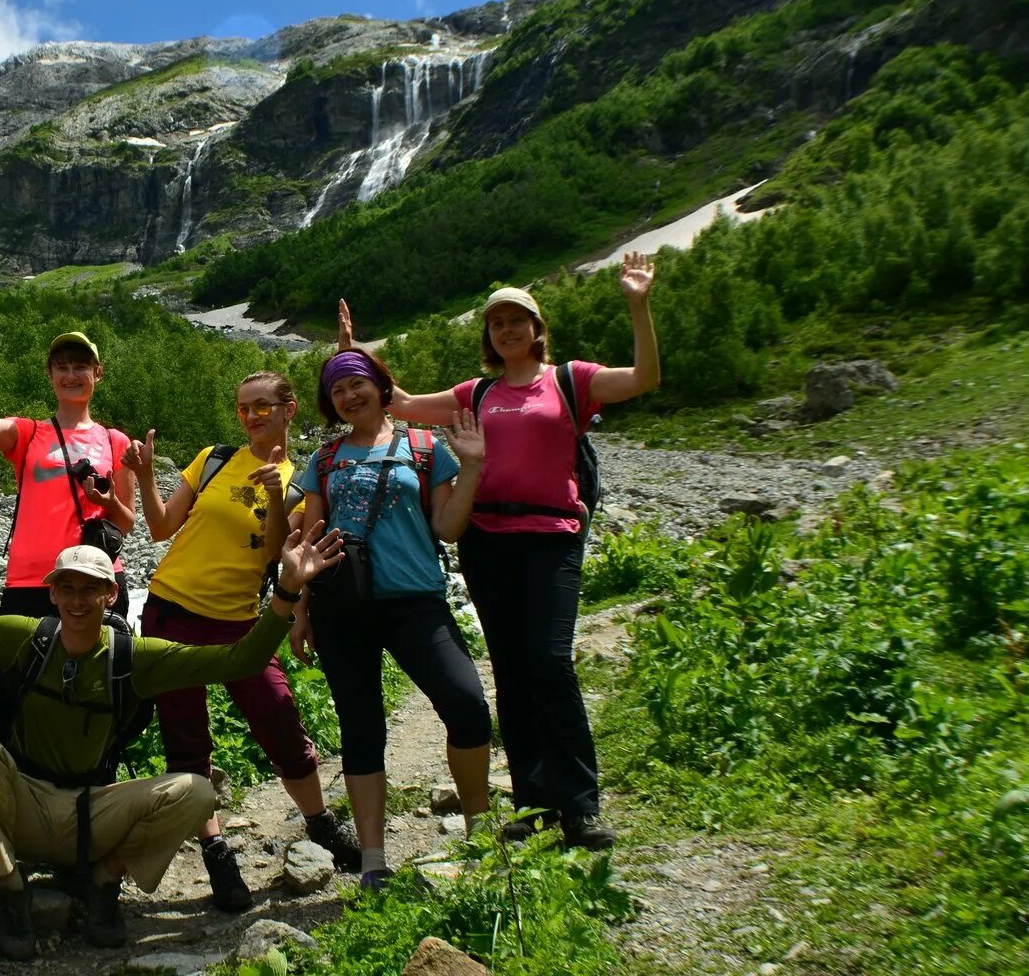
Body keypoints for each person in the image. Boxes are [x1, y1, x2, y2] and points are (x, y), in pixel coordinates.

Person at [0, 462, 346, 959]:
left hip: (92, 813)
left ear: (110, 594)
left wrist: (287, 591)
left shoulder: (134, 657)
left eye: (90, 589)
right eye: (68, 588)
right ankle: (9, 883)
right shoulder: (24, 637)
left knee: (198, 792)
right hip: (21, 803)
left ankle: (103, 880)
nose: (78, 600)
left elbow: (240, 659)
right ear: (51, 593)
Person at [377, 251, 660, 849]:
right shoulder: (474, 392)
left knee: (550, 662)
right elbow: (400, 405)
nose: (507, 330)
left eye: (517, 320)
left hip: (551, 538)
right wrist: (357, 356)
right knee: (510, 667)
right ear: (489, 335)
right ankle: (534, 803)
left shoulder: (570, 380)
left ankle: (579, 803)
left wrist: (638, 304)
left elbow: (643, 379)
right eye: (496, 323)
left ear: (536, 330)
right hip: (485, 540)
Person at [125, 372, 361, 911]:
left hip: (236, 623)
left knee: (278, 714)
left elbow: (281, 553)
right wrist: (142, 479)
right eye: (242, 409)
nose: (251, 416)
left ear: (288, 409)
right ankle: (215, 852)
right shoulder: (213, 458)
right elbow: (161, 527)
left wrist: (277, 496)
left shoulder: (302, 484)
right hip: (170, 609)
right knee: (186, 736)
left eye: (261, 407)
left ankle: (319, 824)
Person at [290, 350, 493, 889]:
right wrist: (300, 612)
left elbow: (449, 527)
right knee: (361, 730)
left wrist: (472, 463)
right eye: (337, 391)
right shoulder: (324, 460)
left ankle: (480, 829)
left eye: (357, 384)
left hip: (415, 602)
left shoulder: (426, 449)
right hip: (341, 609)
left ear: (382, 388)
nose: (349, 396)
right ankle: (374, 860)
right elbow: (309, 546)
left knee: (467, 703)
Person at [0, 333, 137, 618]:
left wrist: (108, 502)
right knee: (14, 663)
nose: (70, 375)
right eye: (61, 367)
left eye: (80, 366)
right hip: (30, 579)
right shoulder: (28, 432)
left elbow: (126, 522)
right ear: (50, 375)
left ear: (98, 373)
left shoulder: (115, 441)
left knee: (94, 663)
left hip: (93, 578)